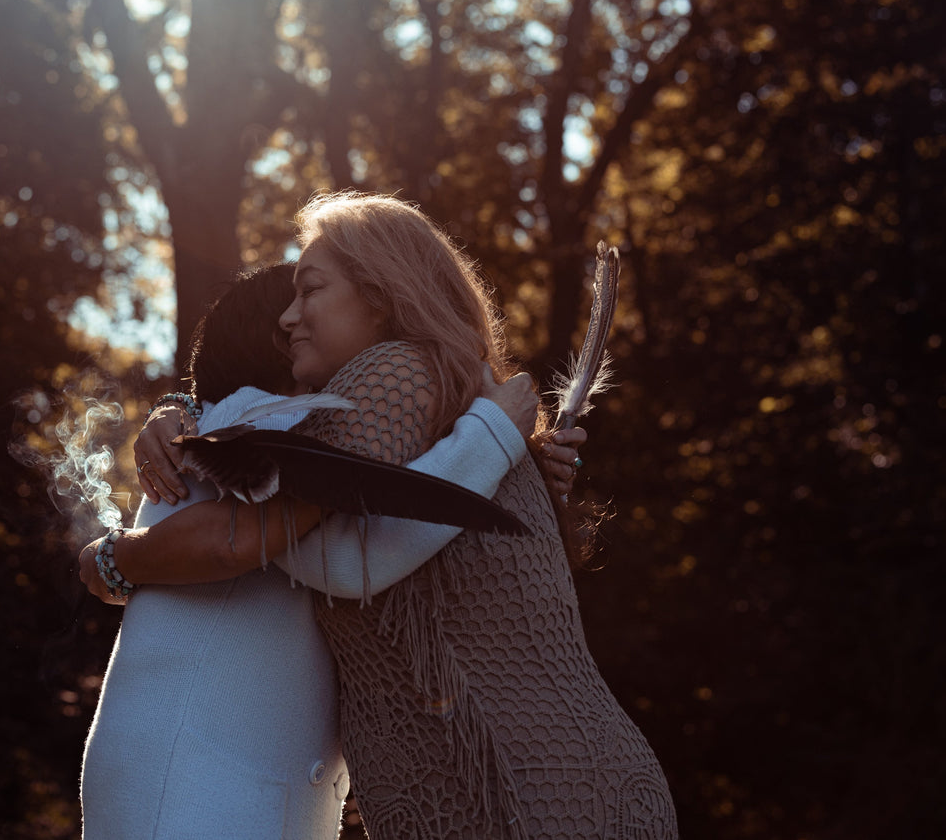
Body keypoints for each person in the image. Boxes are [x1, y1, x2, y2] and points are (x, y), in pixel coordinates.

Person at [97, 192, 676, 839]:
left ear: (380, 293)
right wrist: (189, 416)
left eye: (309, 289)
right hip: (532, 784)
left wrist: (124, 544)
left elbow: (340, 556)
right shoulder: (434, 398)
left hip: (521, 791)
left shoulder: (394, 373)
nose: (290, 318)